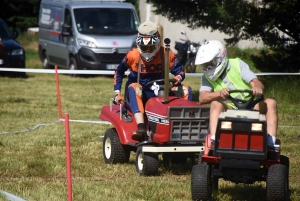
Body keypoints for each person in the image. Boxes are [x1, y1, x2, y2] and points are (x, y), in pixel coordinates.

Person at [114, 21, 192, 142]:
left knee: (186, 90)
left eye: (151, 47)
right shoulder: (132, 55)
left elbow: (180, 72)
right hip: (139, 95)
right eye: (145, 47)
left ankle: (185, 127)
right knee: (134, 87)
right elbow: (118, 72)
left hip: (161, 92)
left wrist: (178, 79)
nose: (148, 50)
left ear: (158, 42)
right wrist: (117, 92)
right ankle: (141, 128)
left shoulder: (166, 53)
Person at [195, 40, 278, 146]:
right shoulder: (206, 77)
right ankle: (215, 140)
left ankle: (270, 141)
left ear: (221, 57)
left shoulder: (237, 64)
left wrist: (257, 88)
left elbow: (256, 82)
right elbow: (202, 98)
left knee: (270, 102)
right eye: (205, 65)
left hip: (252, 105)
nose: (208, 68)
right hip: (230, 108)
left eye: (211, 63)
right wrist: (219, 93)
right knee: (215, 104)